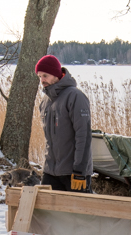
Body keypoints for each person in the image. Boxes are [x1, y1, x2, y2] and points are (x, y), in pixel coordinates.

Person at [35, 55, 92, 192]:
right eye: (39, 76)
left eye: (45, 76)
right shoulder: (45, 102)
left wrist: (80, 170)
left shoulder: (75, 97)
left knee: (77, 213)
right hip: (51, 172)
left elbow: (83, 136)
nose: (42, 80)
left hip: (73, 172)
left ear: (56, 74)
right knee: (46, 212)